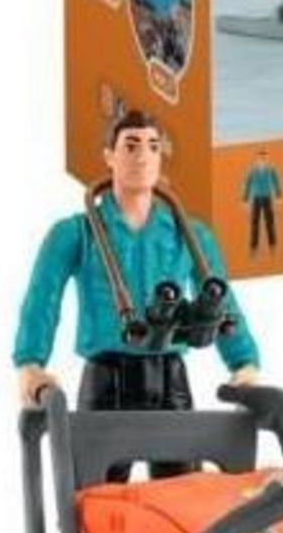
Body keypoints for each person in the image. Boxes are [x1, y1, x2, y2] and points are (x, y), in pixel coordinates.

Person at [13, 110, 261, 443]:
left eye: (153, 146)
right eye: (130, 146)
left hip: (170, 377)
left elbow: (222, 304)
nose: (142, 156)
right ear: (109, 156)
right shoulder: (76, 233)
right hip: (106, 380)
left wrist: (244, 364)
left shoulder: (191, 235)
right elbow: (43, 299)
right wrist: (30, 363)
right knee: (98, 474)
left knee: (182, 474)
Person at [242, 147, 282, 256]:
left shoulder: (271, 169)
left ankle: (272, 246)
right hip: (256, 199)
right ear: (257, 157)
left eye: (264, 155)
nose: (263, 157)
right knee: (254, 223)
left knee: (270, 223)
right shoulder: (252, 170)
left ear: (267, 157)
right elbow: (247, 184)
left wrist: (279, 196)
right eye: (261, 155)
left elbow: (276, 182)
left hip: (267, 198)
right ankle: (253, 247)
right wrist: (245, 199)